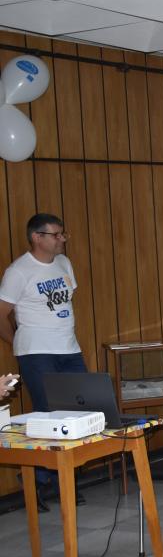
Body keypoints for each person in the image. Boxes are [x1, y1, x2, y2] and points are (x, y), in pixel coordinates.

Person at [0, 214, 87, 509]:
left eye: (63, 234)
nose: (62, 239)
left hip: (69, 348)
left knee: (79, 409)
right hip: (37, 353)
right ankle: (37, 479)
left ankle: (59, 479)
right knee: (48, 415)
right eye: (56, 235)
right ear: (37, 237)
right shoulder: (19, 272)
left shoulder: (64, 264)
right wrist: (19, 343)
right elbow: (1, 313)